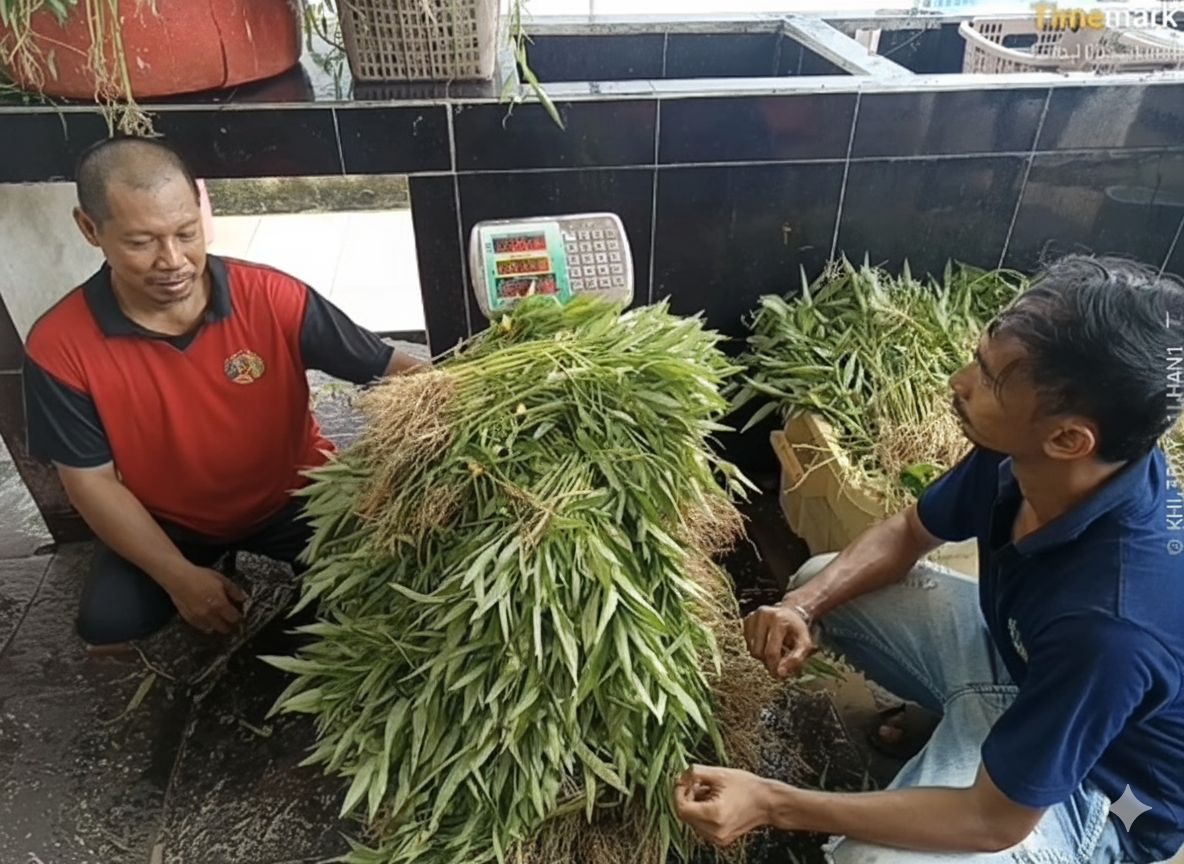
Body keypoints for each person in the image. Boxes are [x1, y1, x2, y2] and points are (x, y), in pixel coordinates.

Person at [675, 255, 1184, 864]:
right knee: (823, 580)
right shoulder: (1035, 460)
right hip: (1027, 670)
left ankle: (1001, 768)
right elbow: (909, 532)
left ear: (1069, 438)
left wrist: (774, 801)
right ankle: (969, 729)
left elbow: (990, 822)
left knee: (875, 859)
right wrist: (800, 607)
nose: (959, 382)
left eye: (989, 380)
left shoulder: (1112, 625)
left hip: (1100, 790)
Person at [23, 137, 426, 647]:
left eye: (186, 233)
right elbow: (92, 483)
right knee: (109, 622)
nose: (173, 260)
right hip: (170, 519)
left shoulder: (273, 297)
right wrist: (177, 577)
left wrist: (474, 399)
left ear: (201, 207)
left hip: (297, 496)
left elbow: (389, 368)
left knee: (376, 592)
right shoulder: (59, 346)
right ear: (90, 229)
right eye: (141, 242)